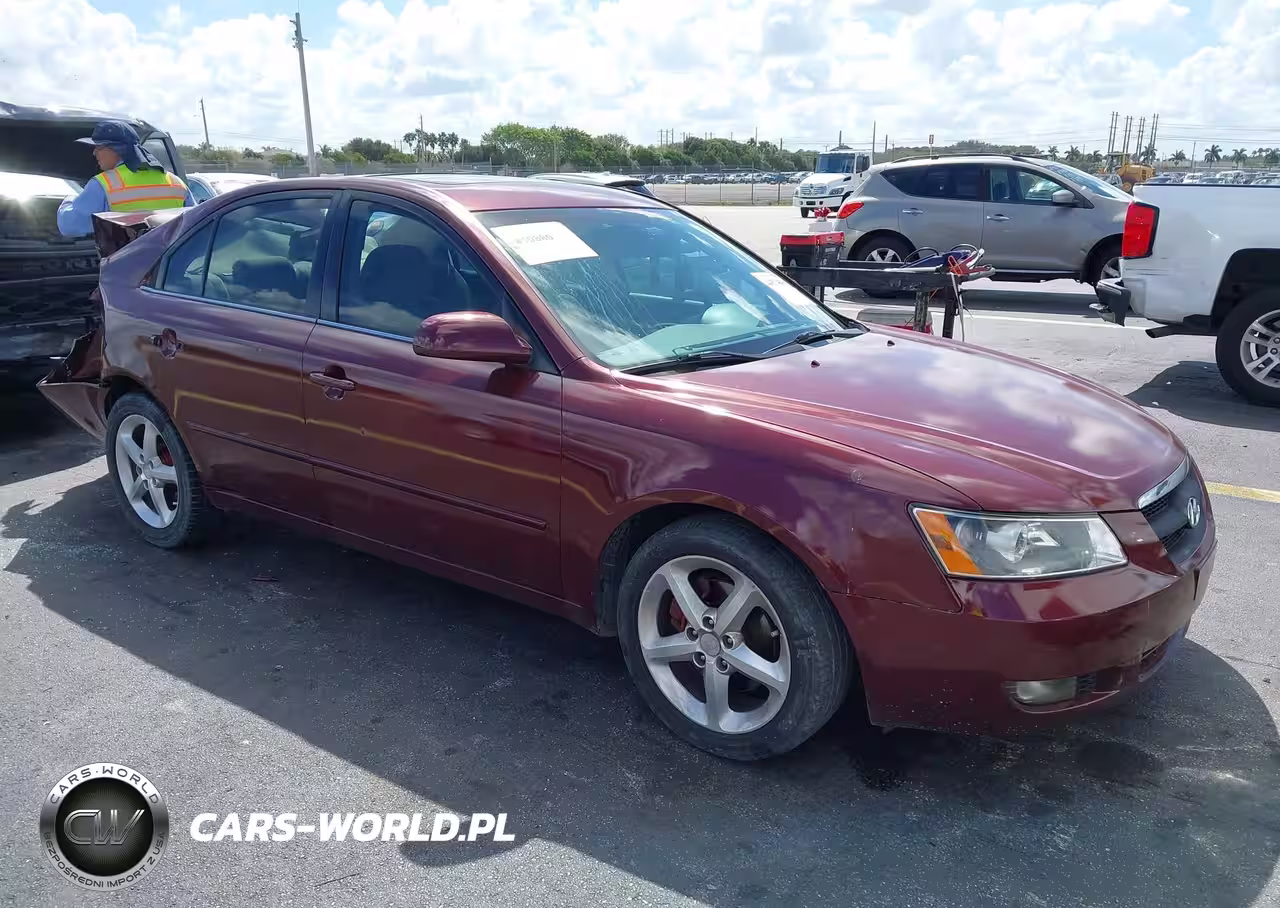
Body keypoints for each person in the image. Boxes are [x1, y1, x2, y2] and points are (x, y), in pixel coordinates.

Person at [56, 120, 195, 237]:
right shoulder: (176, 183)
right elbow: (195, 224)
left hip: (127, 265)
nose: (94, 152)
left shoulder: (104, 184)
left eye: (99, 147)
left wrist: (68, 201)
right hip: (169, 266)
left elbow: (70, 226)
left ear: (116, 149)